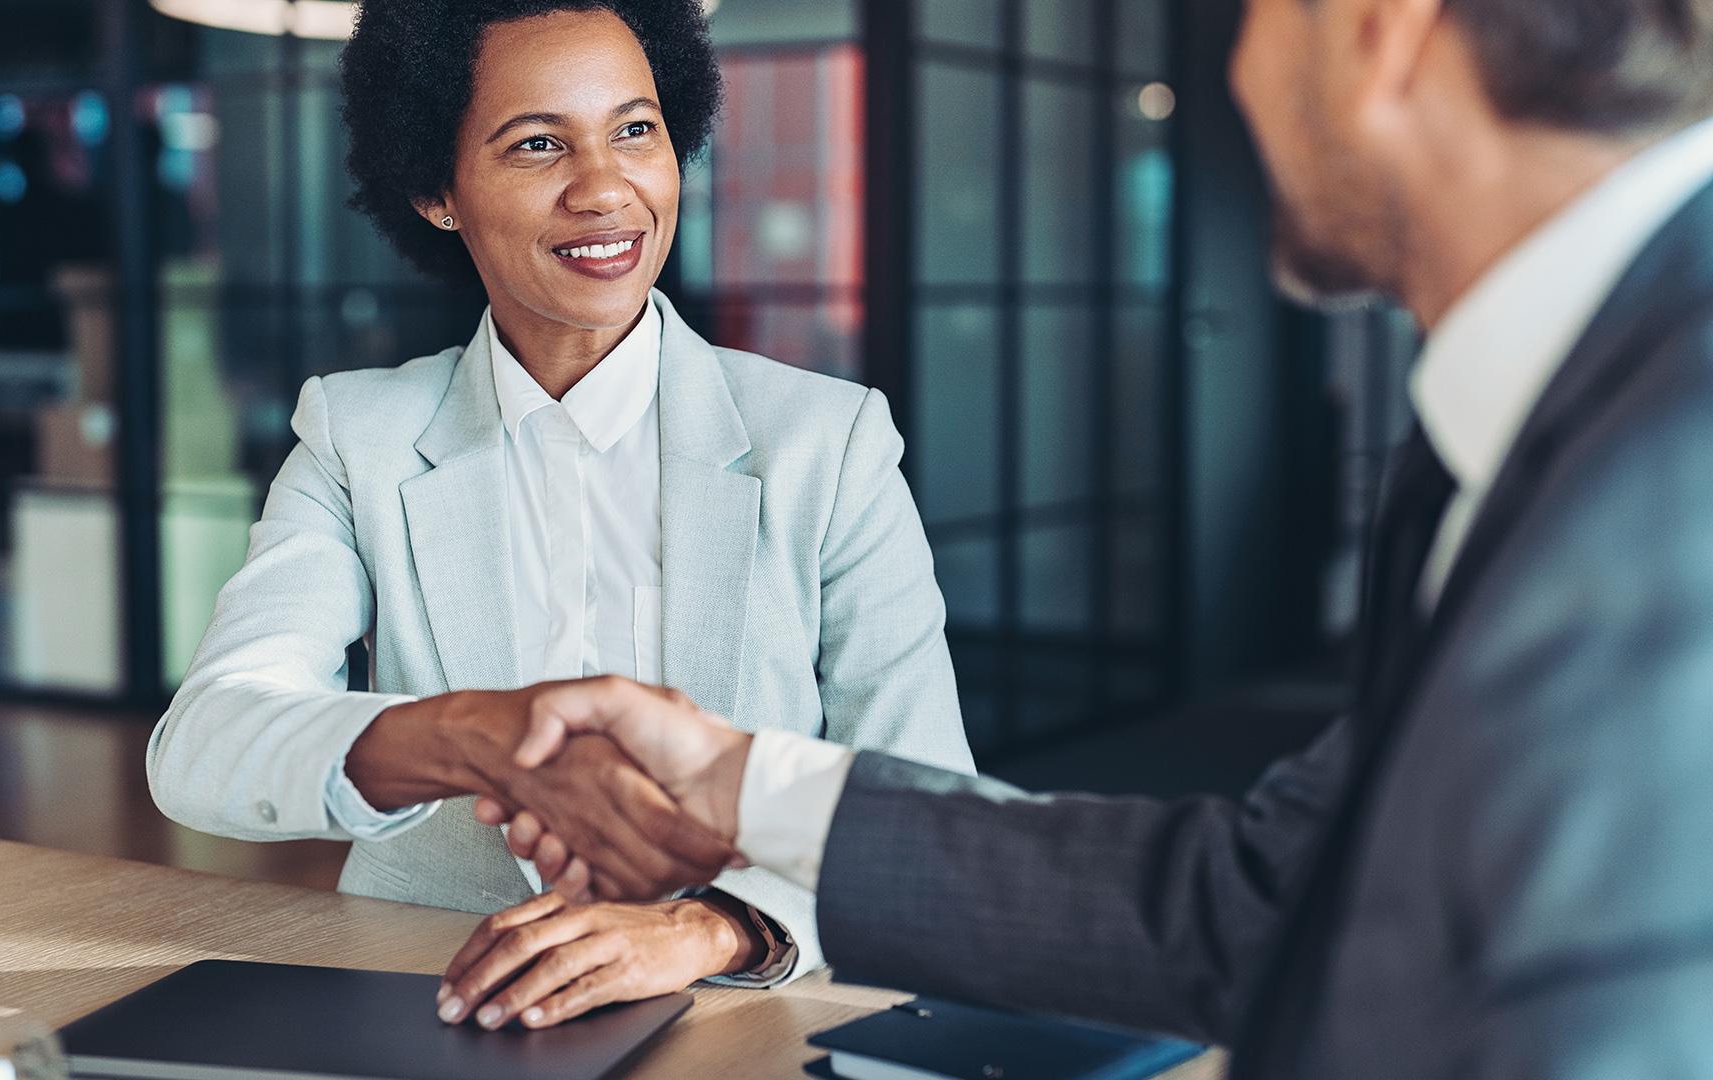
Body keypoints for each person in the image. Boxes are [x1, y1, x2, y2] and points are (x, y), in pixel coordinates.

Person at [450, 0, 1713, 1074]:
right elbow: (1259, 902)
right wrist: (742, 787)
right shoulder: (1510, 432)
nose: (1236, 74)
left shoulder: (1672, 466)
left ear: (1379, 31)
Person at [146, 0, 973, 1028]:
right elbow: (206, 747)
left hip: (742, 1019)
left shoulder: (829, 443)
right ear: (436, 191)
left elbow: (927, 803)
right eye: (539, 144)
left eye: (636, 130)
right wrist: (475, 736)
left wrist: (712, 926)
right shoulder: (358, 436)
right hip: (435, 1010)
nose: (605, 188)